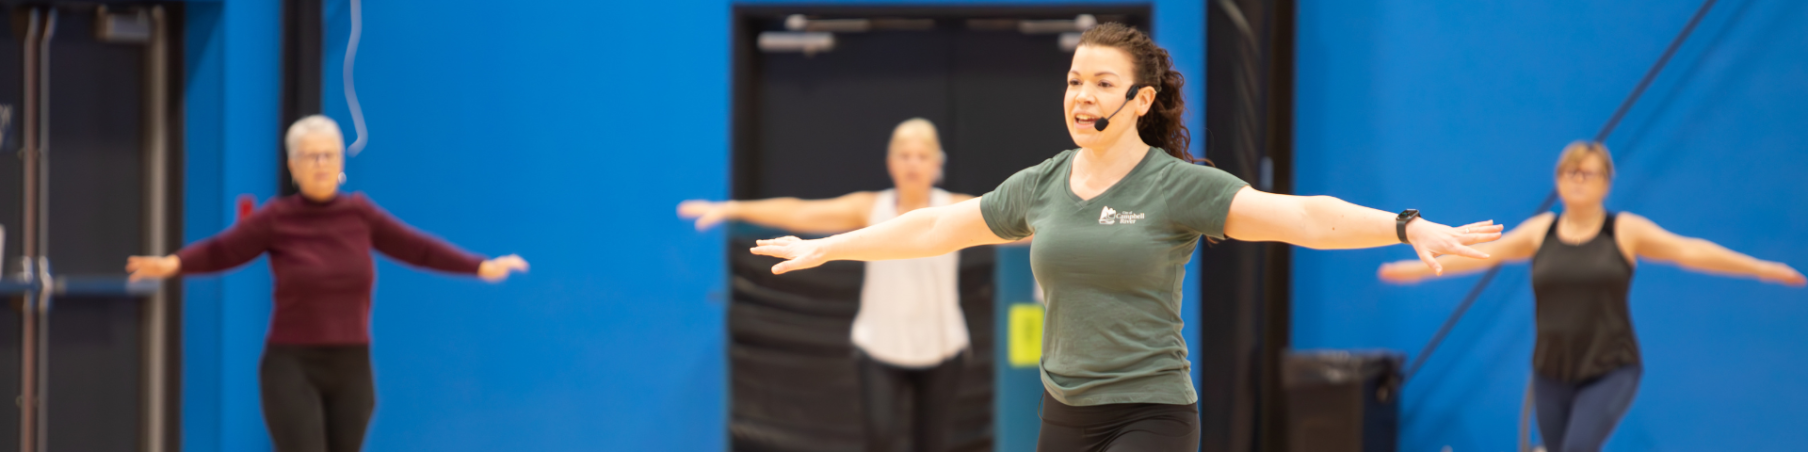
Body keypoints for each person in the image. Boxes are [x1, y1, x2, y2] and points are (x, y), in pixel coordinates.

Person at [747, 23, 1503, 452]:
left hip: (1151, 410)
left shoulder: (1179, 187)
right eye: (1075, 81)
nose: (1081, 96)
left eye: (1101, 84)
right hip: (1063, 410)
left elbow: (1299, 217)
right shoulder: (1042, 184)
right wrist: (831, 246)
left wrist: (1404, 226)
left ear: (1139, 100)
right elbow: (941, 226)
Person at [125, 115, 530, 452]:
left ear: (340, 161)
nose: (320, 163)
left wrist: (480, 266)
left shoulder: (360, 214)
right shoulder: (276, 218)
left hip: (351, 365)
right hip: (293, 365)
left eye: (328, 154)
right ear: (292, 165)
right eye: (310, 155)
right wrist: (173, 264)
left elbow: (418, 248)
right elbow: (223, 250)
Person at [1378, 141, 1804, 452]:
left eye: (1590, 173)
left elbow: (1689, 250)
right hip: (1550, 372)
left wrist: (1761, 268)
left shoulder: (1624, 231)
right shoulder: (1540, 230)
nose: (1578, 180)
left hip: (1610, 370)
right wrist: (1419, 268)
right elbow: (1479, 256)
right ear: (1559, 179)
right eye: (1571, 172)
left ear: (1606, 182)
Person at [680, 118, 973, 452]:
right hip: (880, 345)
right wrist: (731, 207)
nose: (913, 164)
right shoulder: (869, 208)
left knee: (932, 444)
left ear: (937, 163)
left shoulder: (954, 209)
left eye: (922, 156)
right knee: (879, 437)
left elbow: (1011, 222)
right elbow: (800, 212)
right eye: (904, 155)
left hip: (943, 347)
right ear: (891, 163)